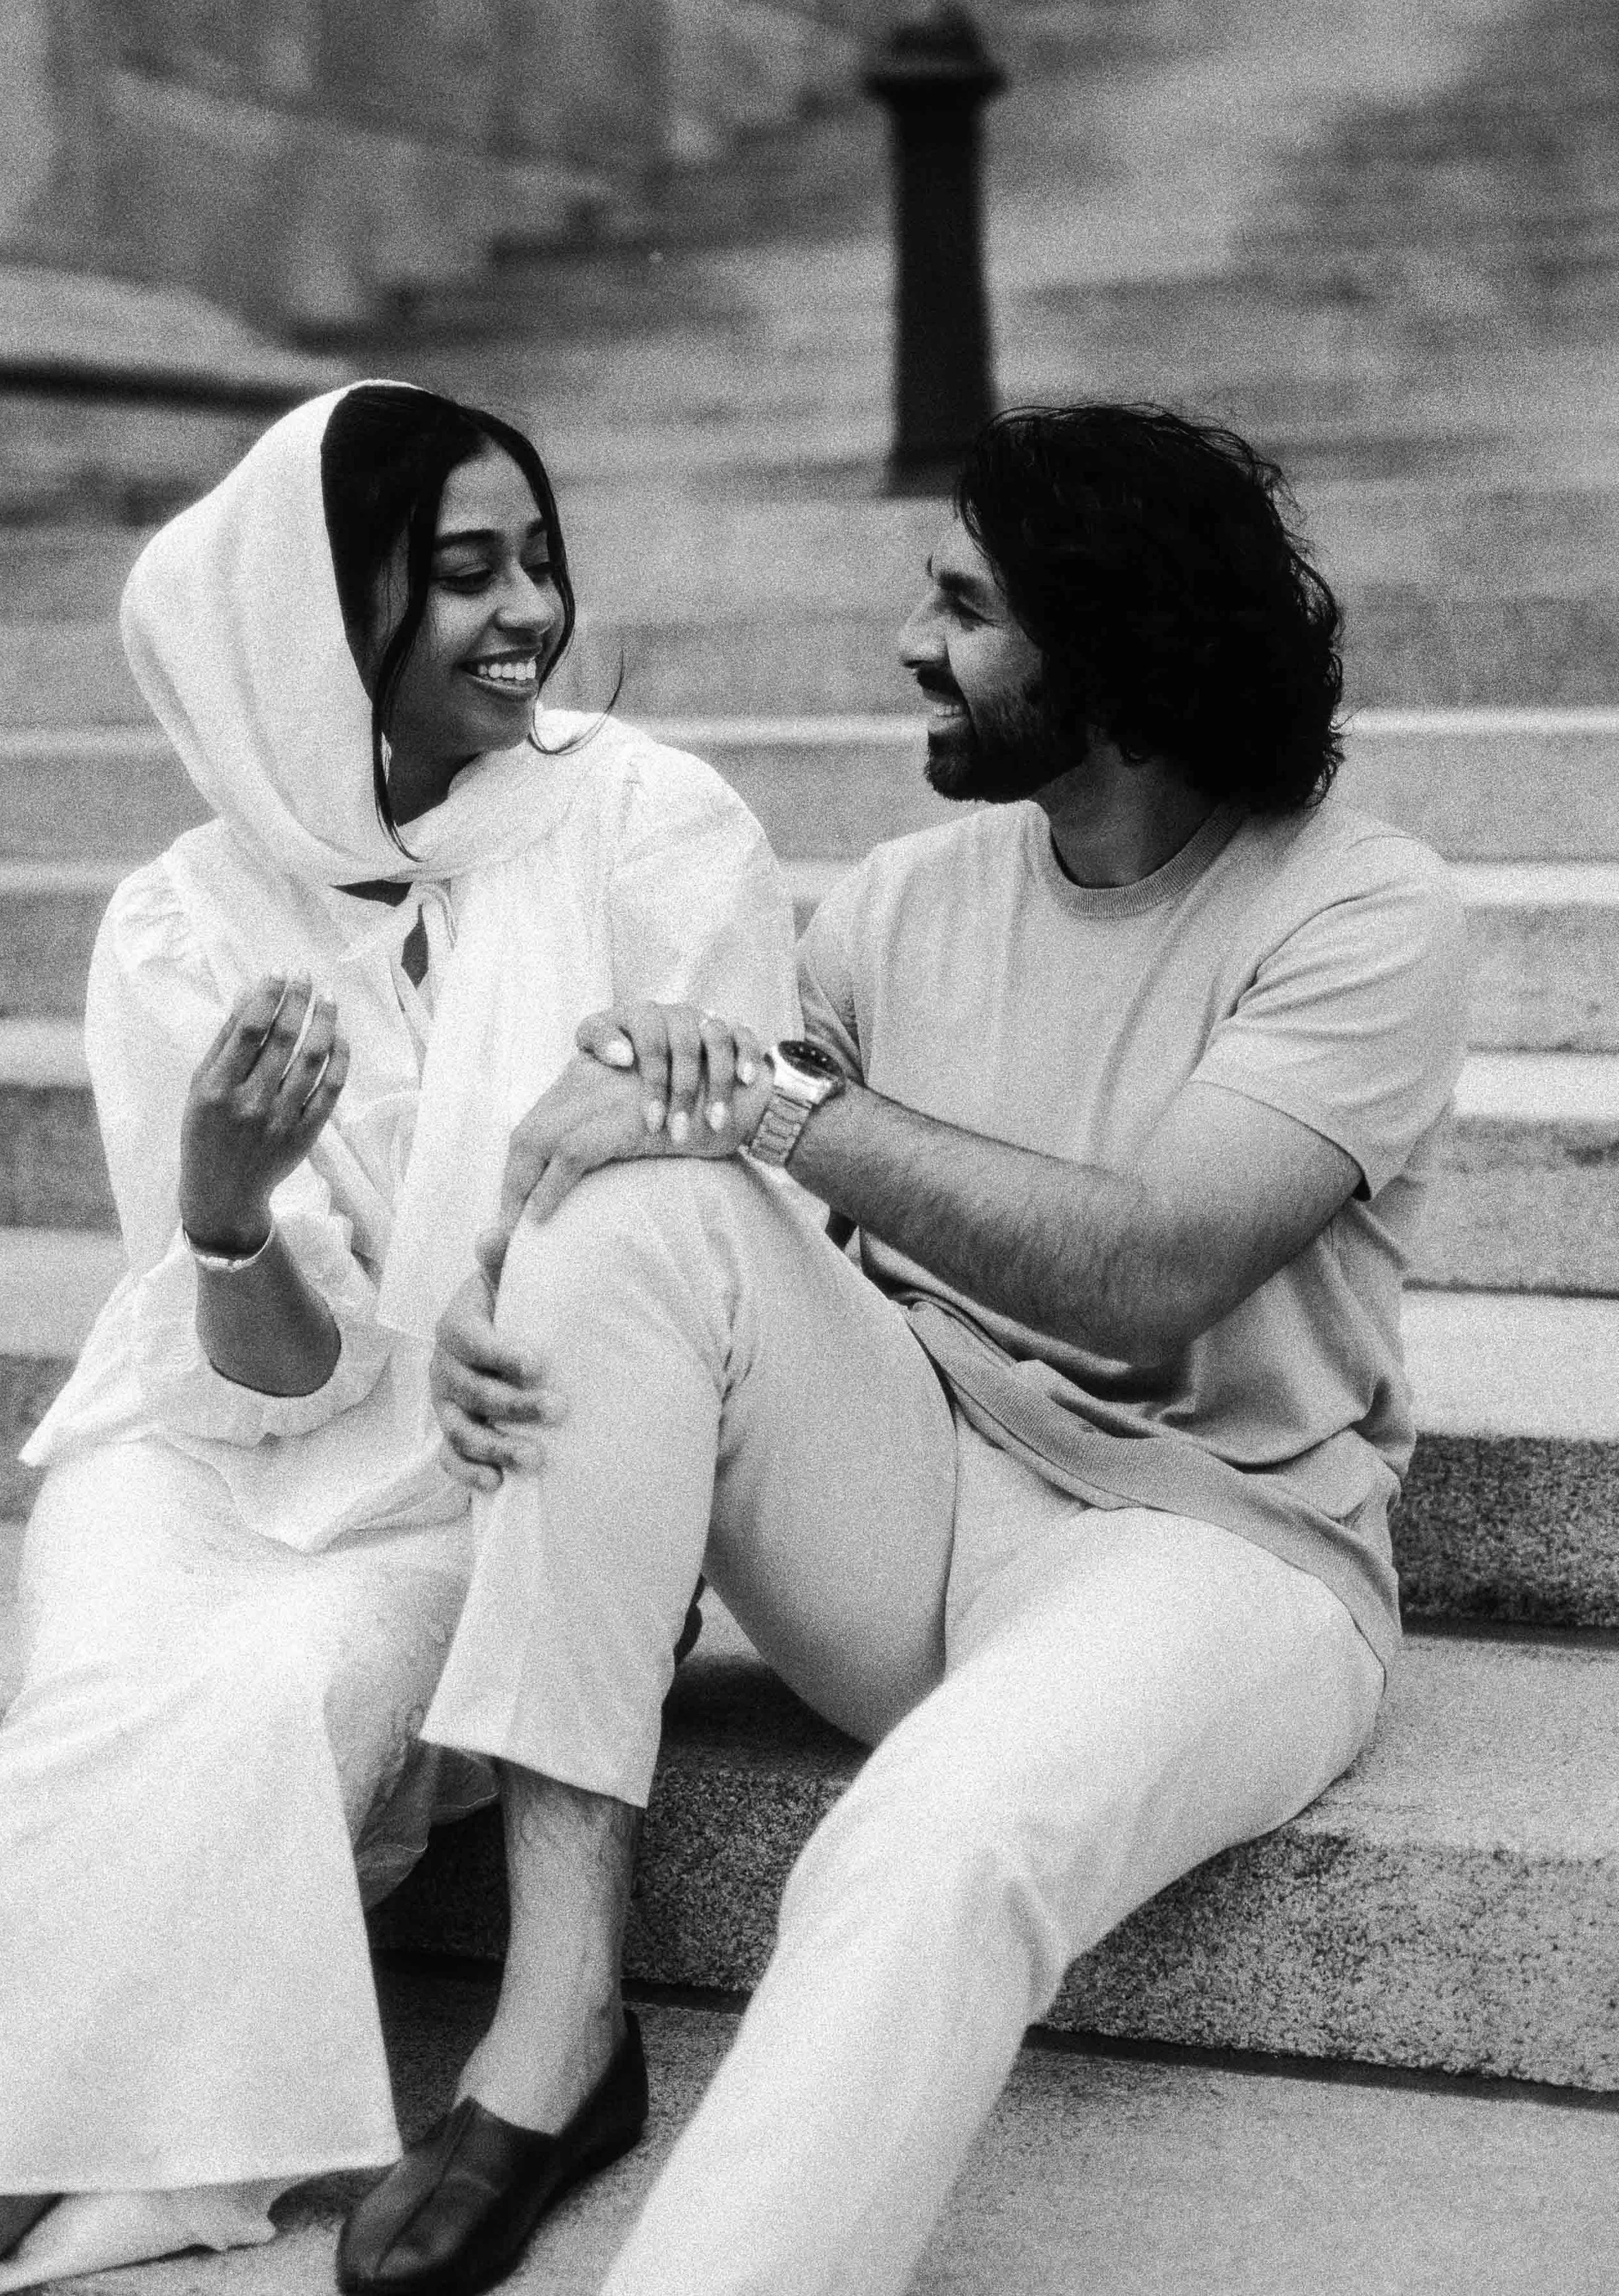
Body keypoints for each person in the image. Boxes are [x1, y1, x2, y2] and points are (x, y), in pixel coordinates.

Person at [338, 404, 1470, 2296]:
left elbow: (1143, 1264)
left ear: (1109, 652)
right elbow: (682, 1148)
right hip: (917, 1494)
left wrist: (769, 1106)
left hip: (1220, 1557)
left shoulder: (1362, 911)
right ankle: (552, 2036)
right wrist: (499, 1293)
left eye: (963, 605)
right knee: (628, 1211)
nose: (907, 644)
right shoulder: (899, 902)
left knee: (927, 1838)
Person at [0, 382, 797, 2296]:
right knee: (109, 1720)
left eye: (538, 559)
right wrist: (226, 1205)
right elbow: (270, 1373)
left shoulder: (646, 820)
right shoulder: (182, 921)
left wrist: (508, 1291)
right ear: (323, 611)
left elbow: (713, 1196)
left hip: (500, 1454)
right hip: (201, 1459)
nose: (527, 612)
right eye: (463, 571)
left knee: (259, 1701)